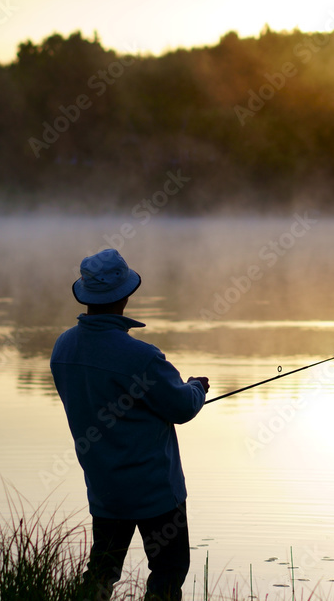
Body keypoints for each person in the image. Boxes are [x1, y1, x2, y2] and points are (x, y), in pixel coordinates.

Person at [51, 248, 210, 601]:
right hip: (156, 493)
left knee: (101, 573)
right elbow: (182, 407)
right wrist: (197, 386)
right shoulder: (142, 357)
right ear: (125, 295)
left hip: (104, 489)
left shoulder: (63, 348)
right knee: (168, 574)